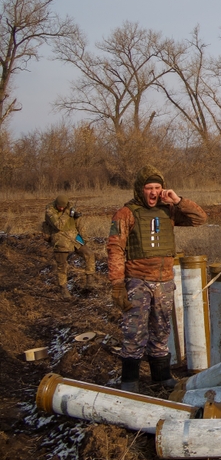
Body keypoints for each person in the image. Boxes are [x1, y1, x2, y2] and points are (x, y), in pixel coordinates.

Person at [107, 165, 206, 392]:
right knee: (134, 331)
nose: (153, 192)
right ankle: (130, 380)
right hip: (137, 281)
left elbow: (199, 218)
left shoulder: (168, 210)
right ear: (139, 189)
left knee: (161, 330)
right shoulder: (126, 214)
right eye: (149, 188)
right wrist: (117, 285)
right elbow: (115, 248)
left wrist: (177, 200)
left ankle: (161, 376)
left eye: (157, 188)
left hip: (163, 281)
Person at [44, 194, 96, 298]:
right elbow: (59, 225)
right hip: (59, 239)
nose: (62, 208)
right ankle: (64, 289)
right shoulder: (50, 211)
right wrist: (67, 213)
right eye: (60, 207)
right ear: (56, 205)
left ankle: (90, 281)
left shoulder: (70, 208)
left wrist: (84, 238)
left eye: (64, 207)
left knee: (89, 254)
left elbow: (78, 223)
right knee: (62, 266)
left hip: (74, 238)